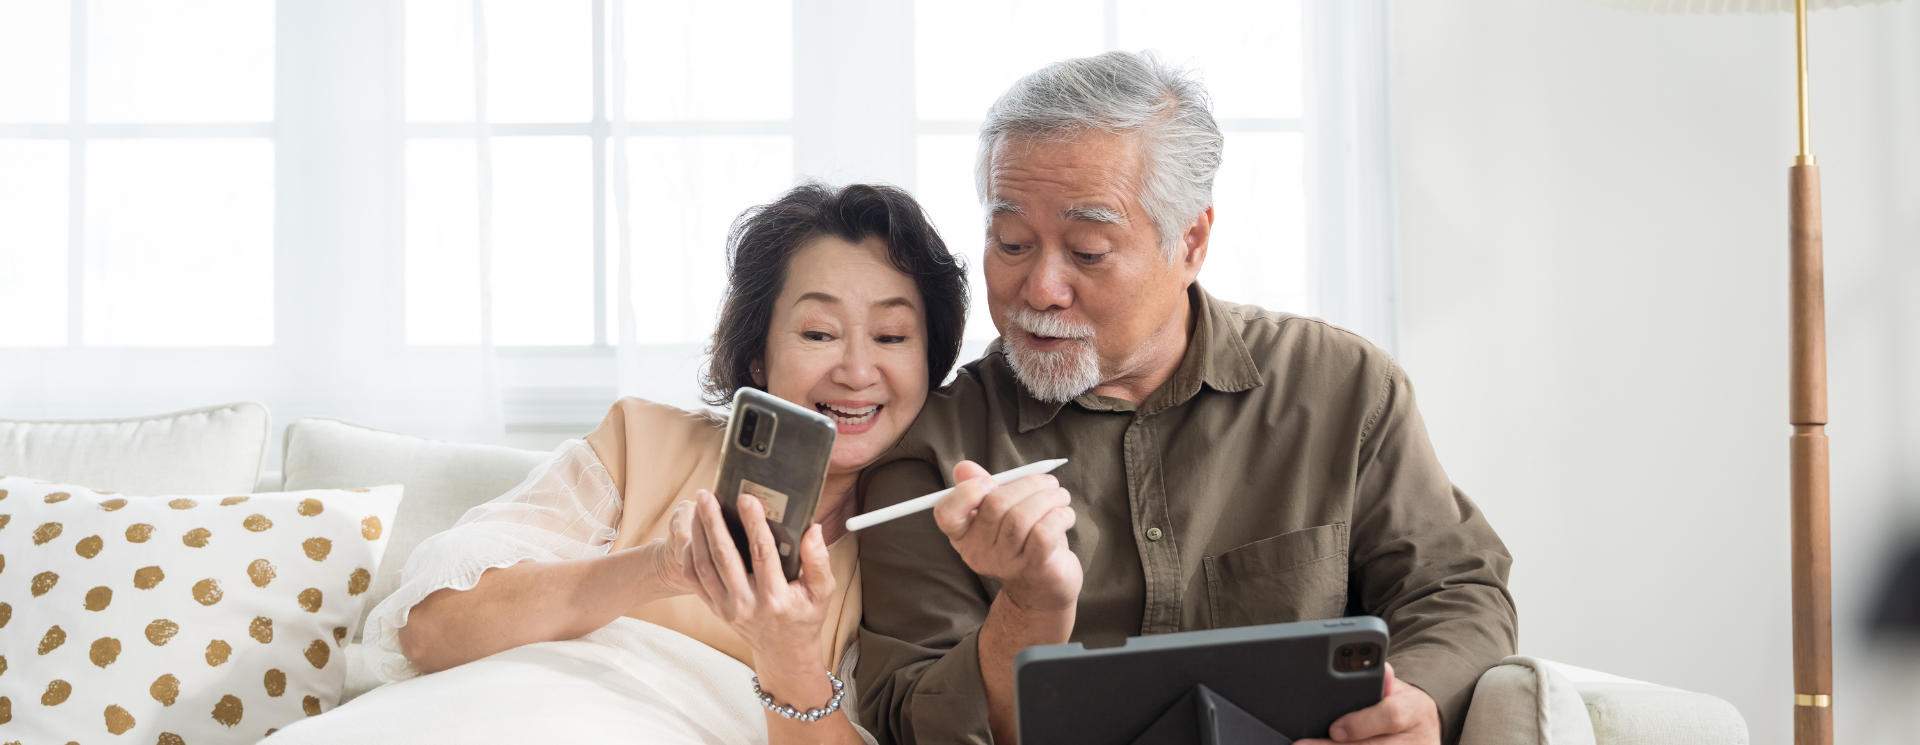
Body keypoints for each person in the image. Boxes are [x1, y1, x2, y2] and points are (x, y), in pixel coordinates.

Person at [853, 52, 1517, 745]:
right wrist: (1026, 604)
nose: (1041, 288)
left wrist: (1413, 698)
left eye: (1087, 250)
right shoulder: (932, 454)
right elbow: (911, 718)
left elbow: (1456, 588)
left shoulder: (1342, 386)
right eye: (1011, 242)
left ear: (1191, 242)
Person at [271, 182, 969, 744]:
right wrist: (660, 566)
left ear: (929, 359)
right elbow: (429, 629)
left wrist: (785, 652)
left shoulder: (921, 537)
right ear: (759, 351)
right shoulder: (642, 441)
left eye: (891, 334)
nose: (856, 369)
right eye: (818, 331)